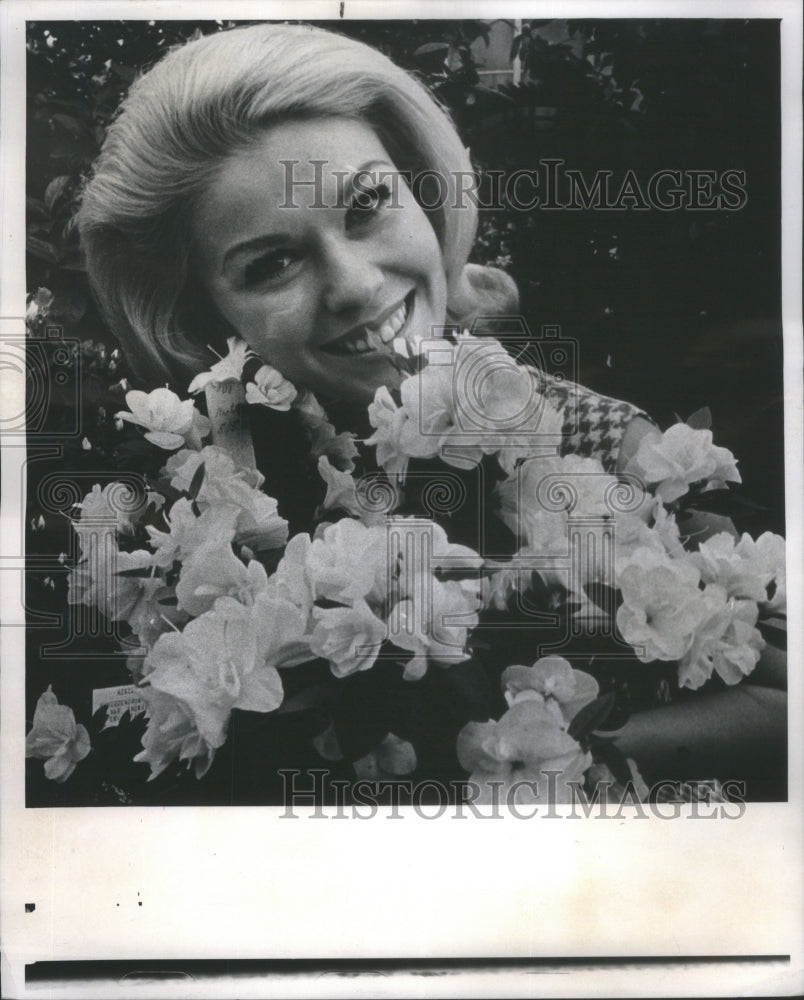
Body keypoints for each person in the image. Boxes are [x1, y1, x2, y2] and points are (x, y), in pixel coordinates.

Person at [76, 23, 785, 796]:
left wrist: (525, 767)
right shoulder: (186, 525)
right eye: (272, 263)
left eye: (368, 205)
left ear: (423, 193)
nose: (353, 284)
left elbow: (785, 698)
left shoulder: (604, 444)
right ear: (206, 318)